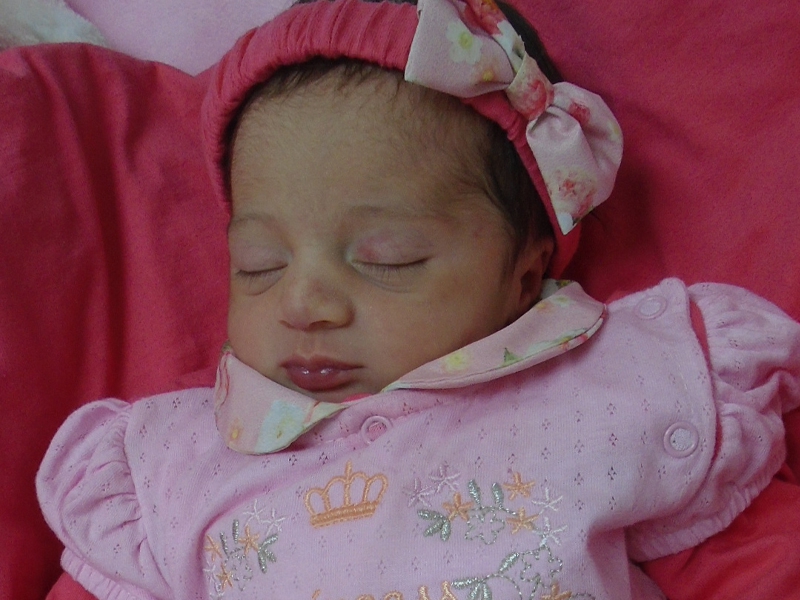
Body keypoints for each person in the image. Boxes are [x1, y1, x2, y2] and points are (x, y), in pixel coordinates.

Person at [36, 0, 800, 599]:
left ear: (525, 274)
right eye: (259, 265)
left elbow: (750, 565)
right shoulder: (174, 468)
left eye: (387, 260)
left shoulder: (611, 396)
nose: (304, 304)